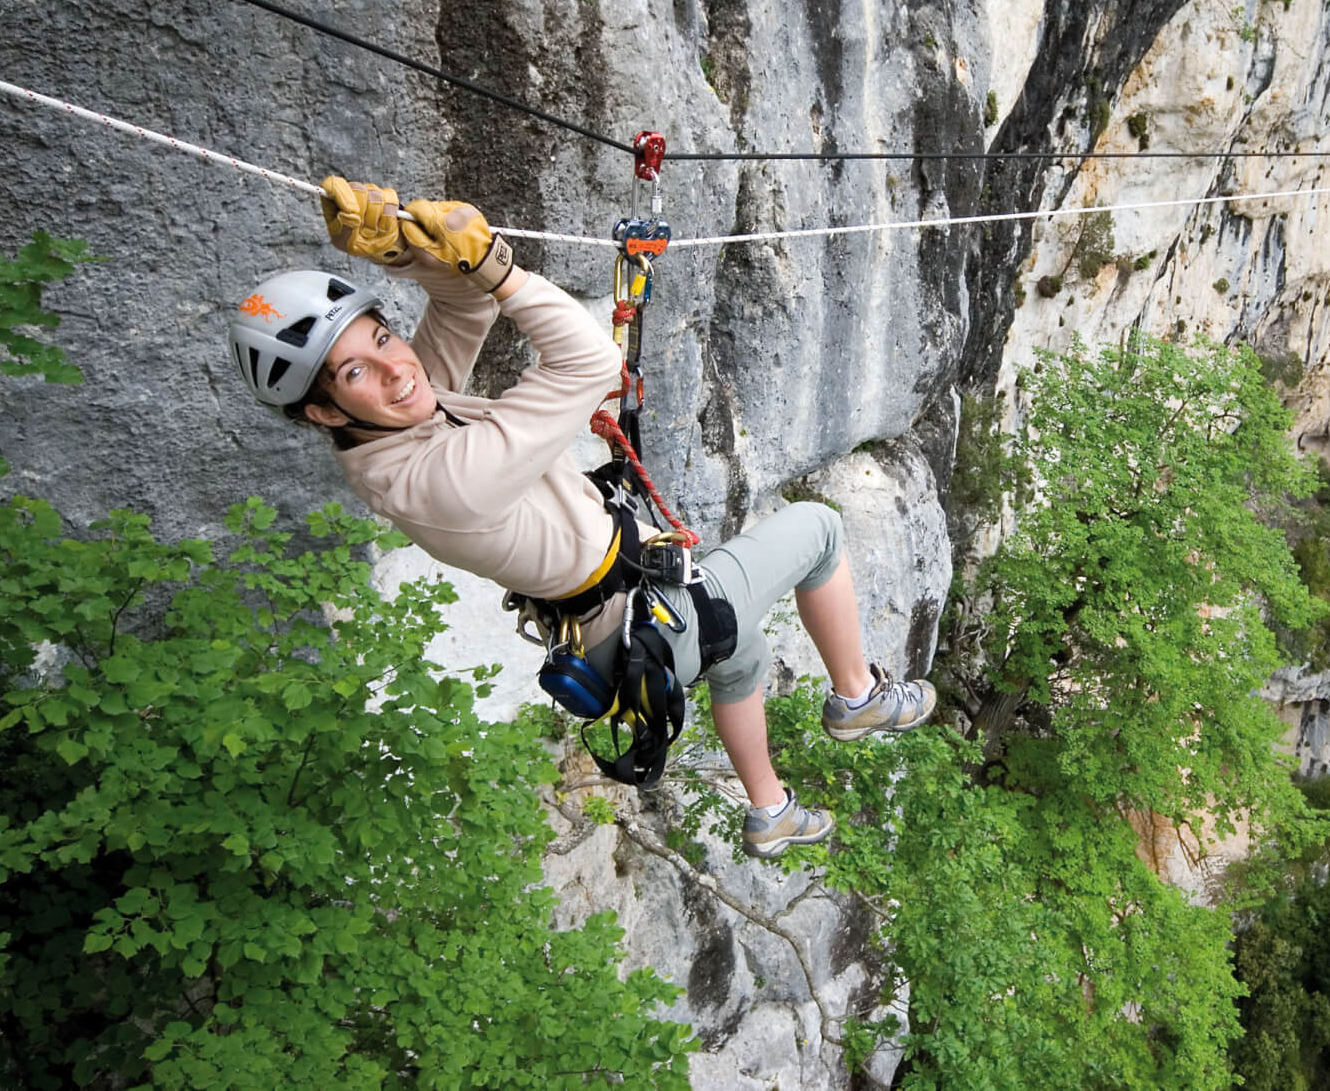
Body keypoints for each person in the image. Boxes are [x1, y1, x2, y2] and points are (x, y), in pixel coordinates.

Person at [228, 177, 935, 857]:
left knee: (742, 649)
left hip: (613, 630)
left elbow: (463, 310)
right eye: (353, 372)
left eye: (380, 337)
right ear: (321, 410)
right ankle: (858, 697)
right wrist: (500, 268)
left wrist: (405, 251)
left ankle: (770, 810)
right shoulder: (435, 480)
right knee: (819, 530)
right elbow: (591, 359)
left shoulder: (389, 433)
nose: (394, 368)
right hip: (646, 617)